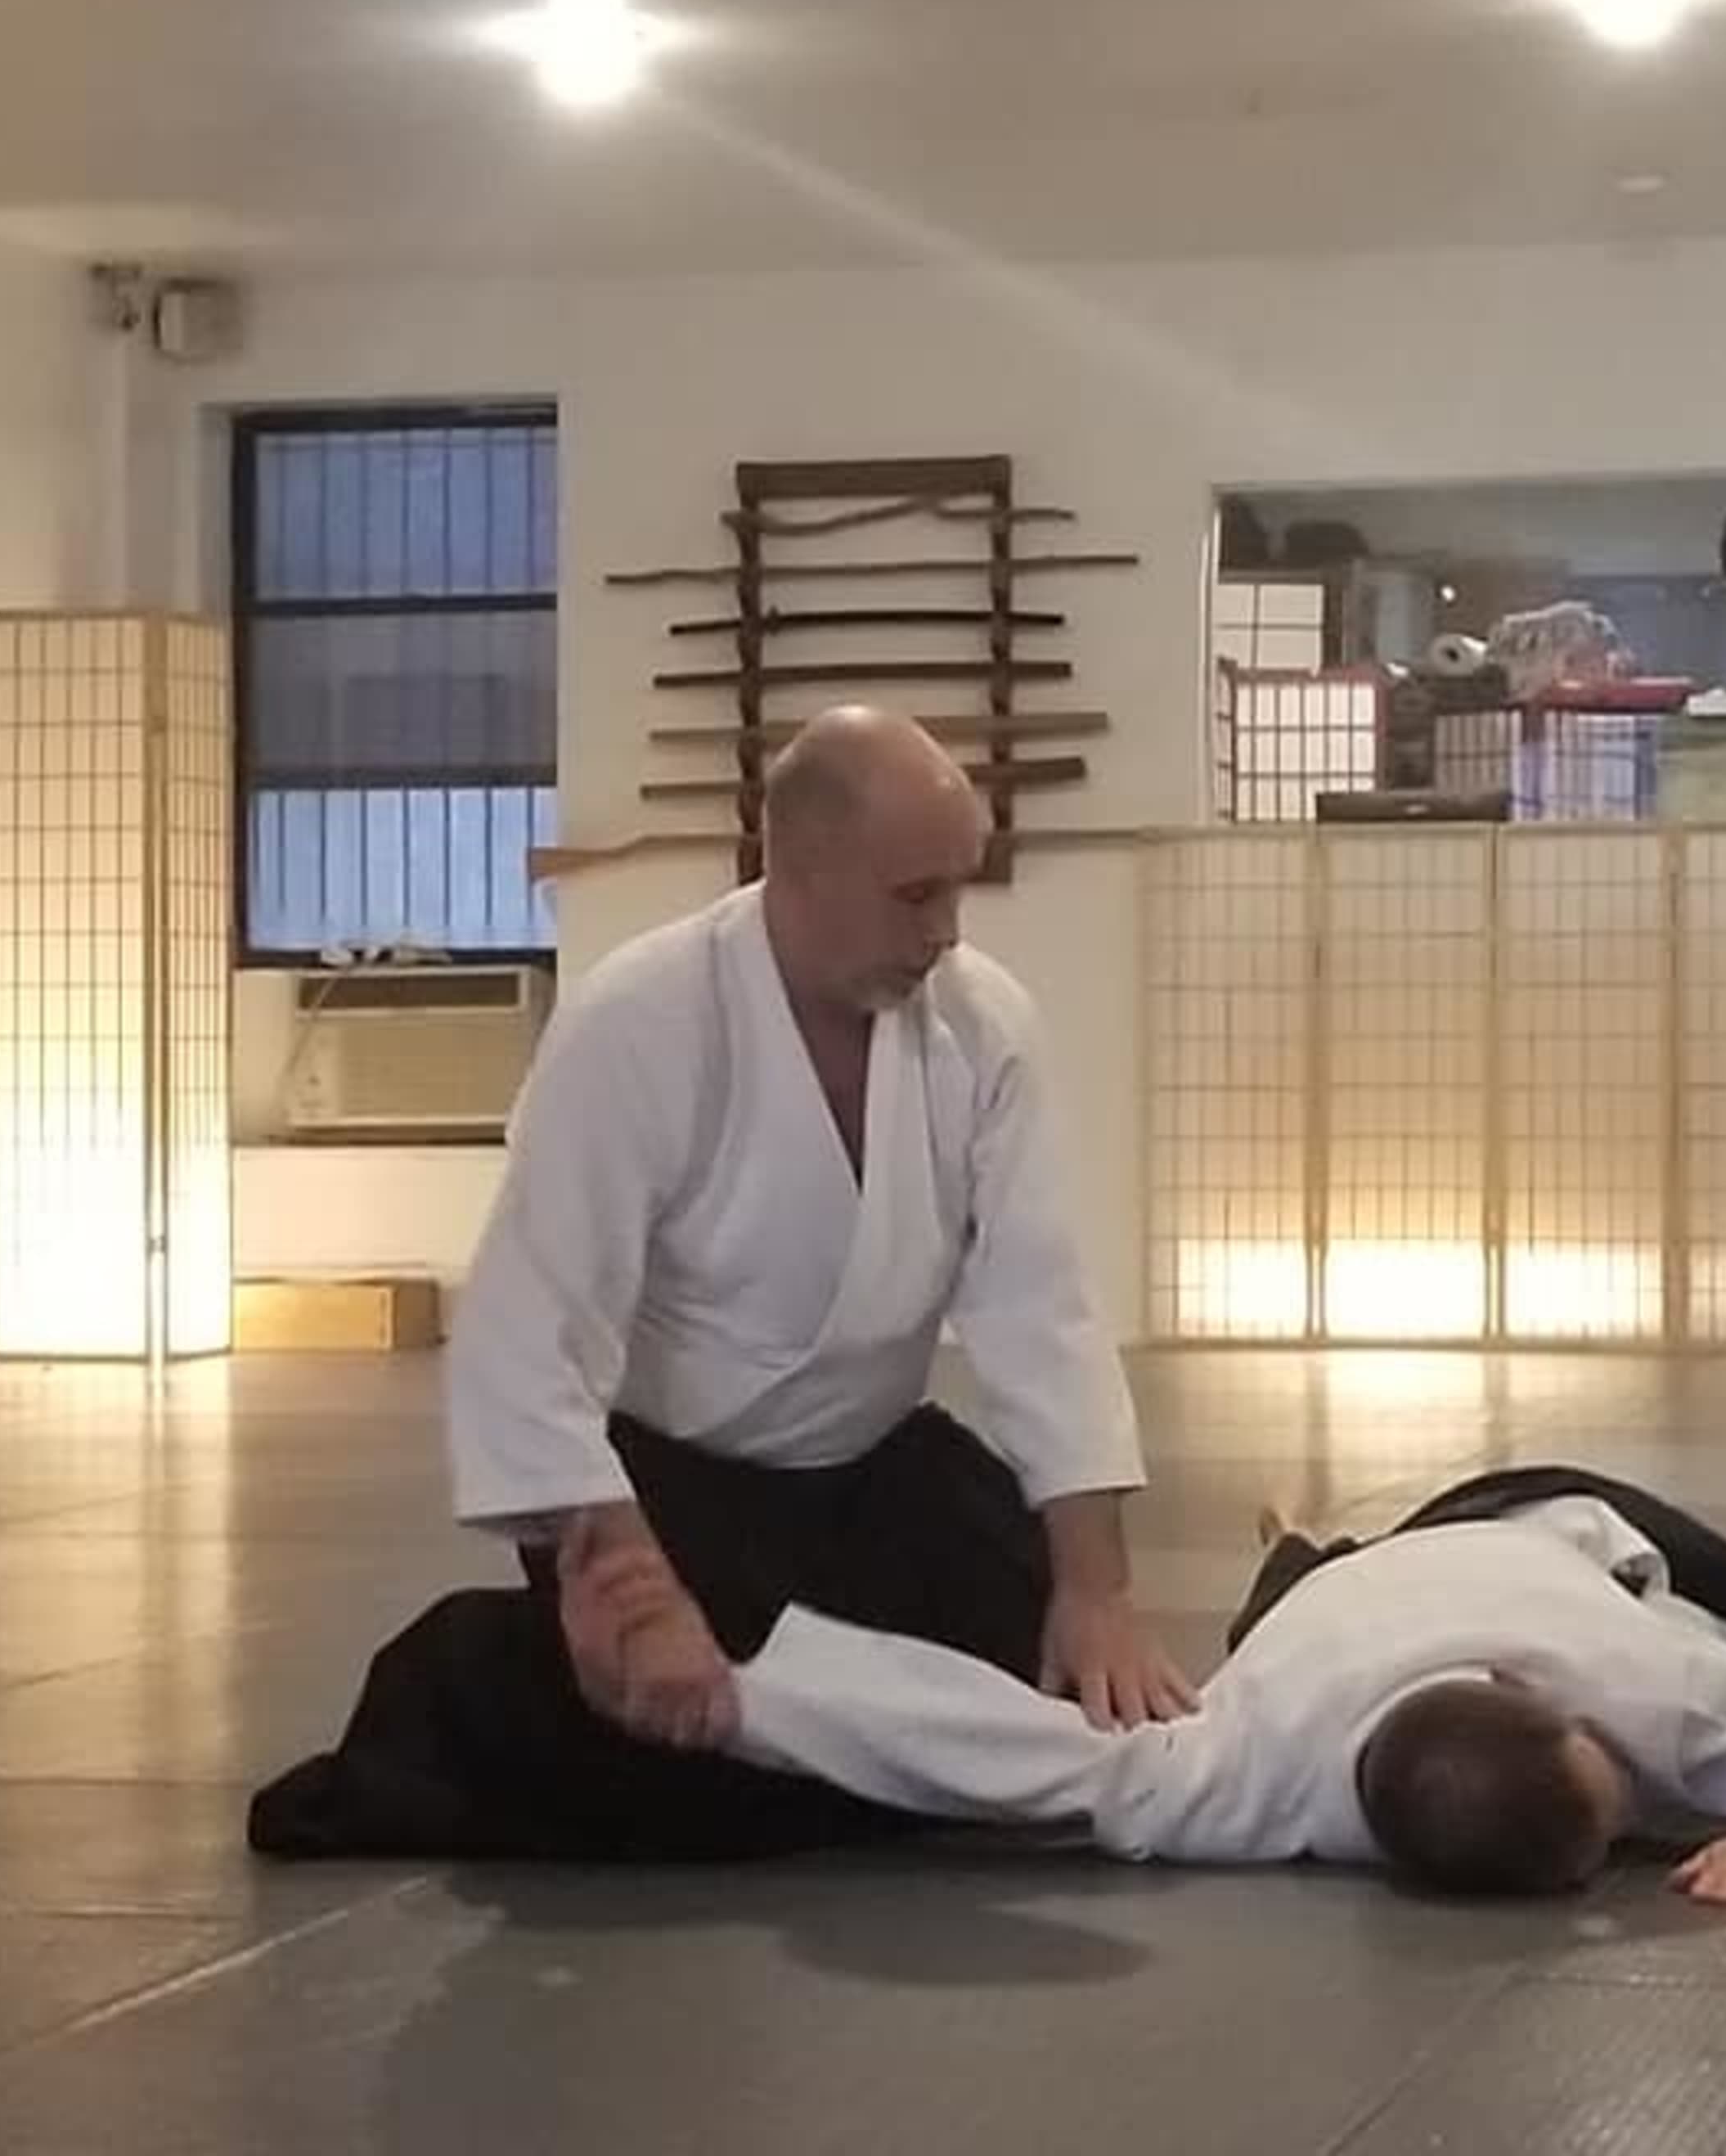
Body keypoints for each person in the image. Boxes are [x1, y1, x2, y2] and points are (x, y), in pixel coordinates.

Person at [247, 706, 1190, 1864]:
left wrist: (1095, 1587)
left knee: (1040, 1690)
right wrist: (633, 1591)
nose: (947, 932)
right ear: (800, 870)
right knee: (697, 1739)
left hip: (869, 1473)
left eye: (959, 892)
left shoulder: (982, 1026)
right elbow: (531, 1328)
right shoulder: (642, 1021)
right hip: (663, 1491)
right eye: (915, 896)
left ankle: (739, 1714)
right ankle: (462, 1686)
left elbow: (1039, 1304)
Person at [643, 1465, 1726, 1904]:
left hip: (1542, 1524)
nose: (1643, 1822)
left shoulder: (1631, 1680)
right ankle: (1301, 1552)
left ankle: (1303, 1552)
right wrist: (754, 1698)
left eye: (1615, 1809)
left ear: (1565, 1725)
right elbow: (1029, 1757)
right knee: (1305, 1596)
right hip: (1343, 1619)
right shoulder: (1255, 1779)